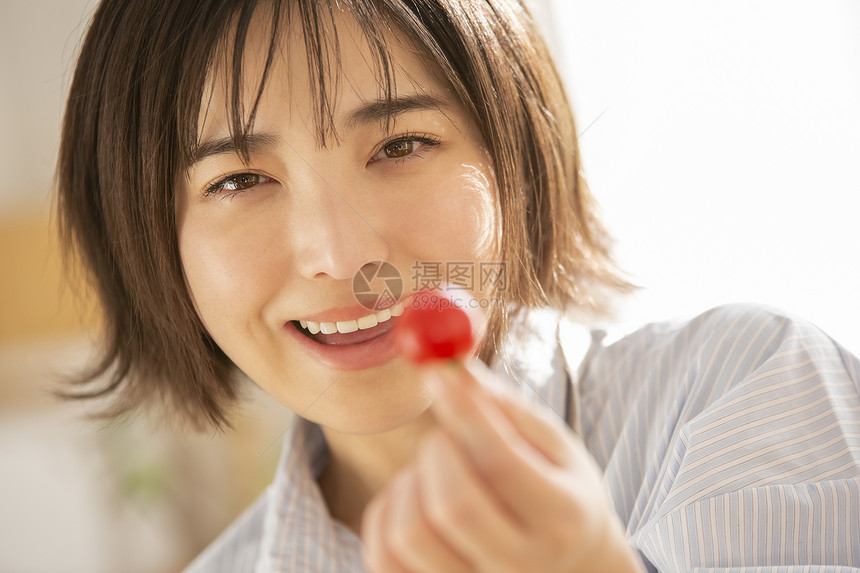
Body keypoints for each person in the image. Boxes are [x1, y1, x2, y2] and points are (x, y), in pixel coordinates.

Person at [55, 0, 860, 572]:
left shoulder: (748, 389)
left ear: (518, 153)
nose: (338, 254)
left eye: (402, 143)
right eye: (238, 180)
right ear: (156, 243)